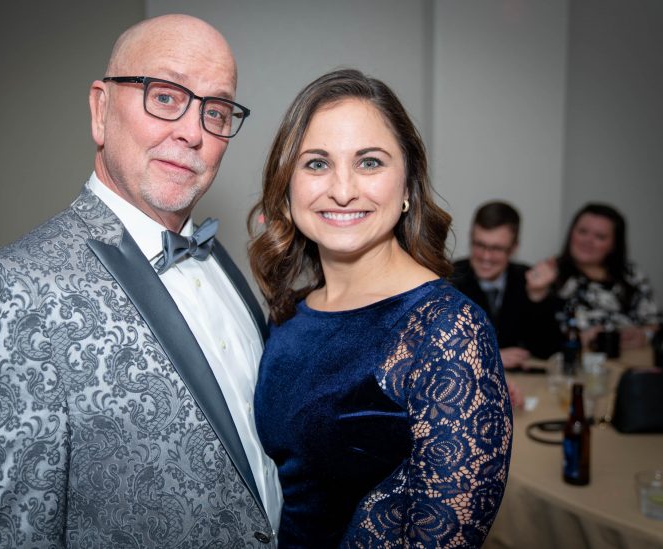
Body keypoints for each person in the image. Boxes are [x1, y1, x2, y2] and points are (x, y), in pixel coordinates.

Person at [0, 15, 281, 547]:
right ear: (101, 109)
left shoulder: (223, 262)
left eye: (215, 111)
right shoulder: (7, 292)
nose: (192, 132)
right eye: (165, 97)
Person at [248, 69, 512, 548]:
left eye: (369, 162)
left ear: (408, 184)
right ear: (287, 185)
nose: (343, 189)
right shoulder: (289, 314)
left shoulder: (448, 330)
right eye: (316, 164)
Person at [529, 203, 660, 350]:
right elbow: (535, 334)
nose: (587, 241)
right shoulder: (549, 273)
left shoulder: (631, 274)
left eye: (600, 237)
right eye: (582, 232)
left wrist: (645, 335)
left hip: (630, 357)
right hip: (574, 358)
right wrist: (579, 339)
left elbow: (654, 322)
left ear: (614, 244)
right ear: (571, 233)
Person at [451, 201, 561, 369]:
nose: (486, 257)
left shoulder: (528, 279)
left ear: (514, 248)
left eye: (496, 248)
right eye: (479, 245)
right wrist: (489, 356)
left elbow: (547, 351)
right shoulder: (449, 279)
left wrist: (538, 297)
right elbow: (437, 348)